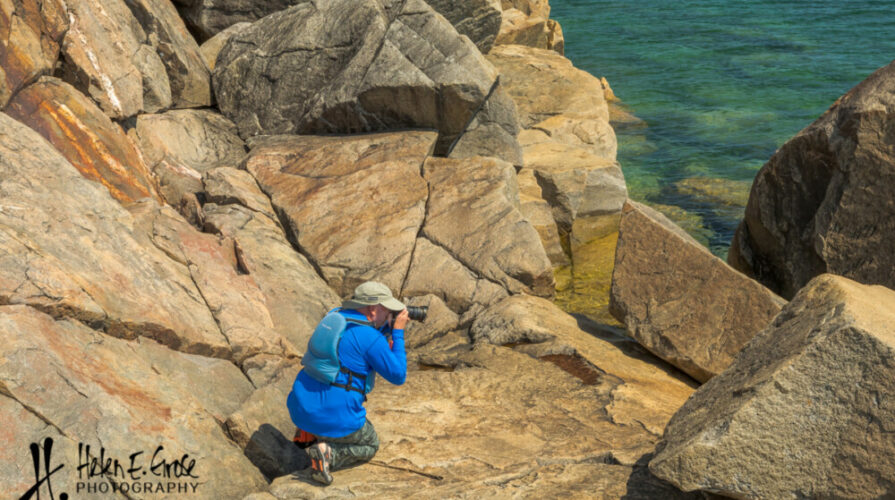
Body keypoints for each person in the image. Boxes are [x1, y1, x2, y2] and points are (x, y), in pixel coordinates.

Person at [287, 281, 408, 485]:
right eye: (387, 309)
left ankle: (308, 432)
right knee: (370, 443)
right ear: (373, 308)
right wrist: (398, 332)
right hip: (331, 417)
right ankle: (327, 454)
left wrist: (384, 331)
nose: (390, 314)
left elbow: (352, 351)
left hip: (300, 408)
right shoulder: (370, 337)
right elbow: (398, 375)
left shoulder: (335, 318)